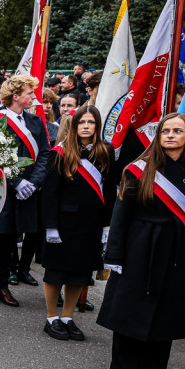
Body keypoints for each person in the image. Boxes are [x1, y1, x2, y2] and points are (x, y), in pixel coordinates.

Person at [96, 114, 185, 369]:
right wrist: (114, 255)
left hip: (176, 252)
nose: (170, 135)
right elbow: (121, 215)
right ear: (158, 136)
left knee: (165, 315)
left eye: (177, 131)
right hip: (139, 247)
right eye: (165, 131)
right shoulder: (139, 169)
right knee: (130, 311)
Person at [40, 106, 119, 341]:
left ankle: (67, 317)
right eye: (82, 122)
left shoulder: (106, 151)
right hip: (64, 223)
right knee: (56, 271)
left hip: (90, 223)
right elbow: (50, 193)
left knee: (79, 273)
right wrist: (50, 225)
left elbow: (111, 191)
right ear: (74, 125)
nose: (86, 126)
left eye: (91, 122)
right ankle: (52, 317)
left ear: (98, 125)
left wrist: (107, 225)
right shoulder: (60, 152)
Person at [0, 75, 50, 308]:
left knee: (9, 242)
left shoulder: (36, 122)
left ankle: (2, 287)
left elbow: (44, 154)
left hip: (26, 193)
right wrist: (17, 182)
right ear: (16, 96)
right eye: (29, 93)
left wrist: (33, 183)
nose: (34, 97)